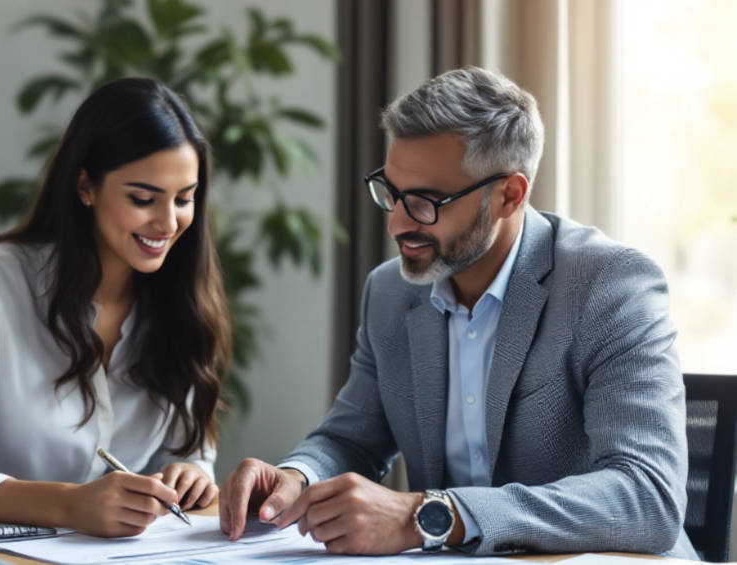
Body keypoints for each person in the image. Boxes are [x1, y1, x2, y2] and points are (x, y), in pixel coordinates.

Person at [220, 66, 697, 559]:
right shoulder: (390, 292)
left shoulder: (610, 285)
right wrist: (296, 477)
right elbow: (352, 439)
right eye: (392, 192)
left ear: (509, 195)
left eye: (426, 202)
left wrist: (431, 515)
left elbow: (647, 496)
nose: (398, 224)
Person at [0, 78, 231, 538]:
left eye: (184, 199)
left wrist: (189, 473)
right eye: (143, 199)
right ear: (85, 185)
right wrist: (70, 505)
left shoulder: (181, 305)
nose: (168, 223)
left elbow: (186, 454)